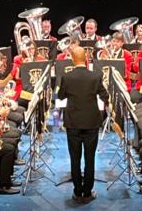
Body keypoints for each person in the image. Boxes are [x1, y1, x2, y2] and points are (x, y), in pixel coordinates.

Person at [57, 46, 108, 204]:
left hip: (73, 122)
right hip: (92, 121)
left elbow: (61, 96)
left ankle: (77, 191)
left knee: (75, 157)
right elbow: (104, 95)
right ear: (86, 58)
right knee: (90, 157)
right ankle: (88, 192)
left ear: (72, 59)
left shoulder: (66, 76)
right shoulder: (96, 76)